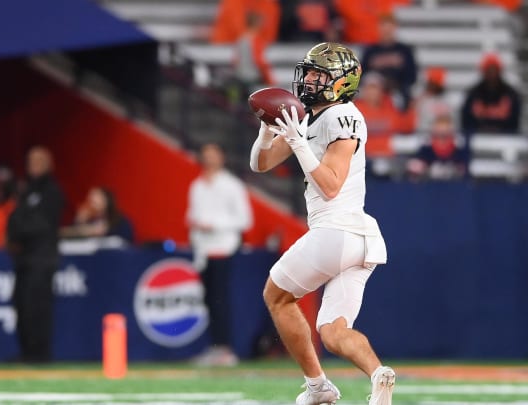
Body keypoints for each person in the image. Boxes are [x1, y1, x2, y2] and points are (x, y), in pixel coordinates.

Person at [249, 42, 394, 405]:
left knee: (276, 296)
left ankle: (318, 387)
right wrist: (267, 133)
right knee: (332, 331)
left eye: (319, 74)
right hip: (359, 239)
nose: (310, 80)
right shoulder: (311, 117)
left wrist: (299, 145)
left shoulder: (343, 115)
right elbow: (261, 164)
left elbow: (331, 186)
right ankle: (379, 376)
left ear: (342, 82)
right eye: (309, 72)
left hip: (337, 229)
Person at [187, 143, 253, 366]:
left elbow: (245, 220)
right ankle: (215, 347)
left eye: (213, 155)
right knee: (209, 301)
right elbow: (193, 216)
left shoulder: (232, 186)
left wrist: (213, 225)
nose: (209, 160)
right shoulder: (197, 186)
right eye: (206, 156)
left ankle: (226, 349)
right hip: (204, 252)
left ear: (222, 158)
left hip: (223, 249)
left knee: (221, 300)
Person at [6, 146, 65, 363]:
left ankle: (39, 354)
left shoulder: (52, 191)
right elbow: (14, 219)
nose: (33, 165)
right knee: (21, 304)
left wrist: (19, 231)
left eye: (38, 161)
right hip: (23, 258)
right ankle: (26, 351)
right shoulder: (26, 190)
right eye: (30, 160)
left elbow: (41, 225)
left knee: (37, 306)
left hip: (42, 259)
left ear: (48, 164)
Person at [361, 12, 418, 111]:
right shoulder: (370, 50)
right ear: (379, 28)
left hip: (397, 89)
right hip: (374, 90)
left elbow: (412, 76)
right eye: (383, 26)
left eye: (389, 26)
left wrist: (397, 85)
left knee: (401, 100)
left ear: (395, 28)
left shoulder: (404, 50)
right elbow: (362, 74)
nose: (386, 30)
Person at [460, 53, 522, 135]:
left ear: (499, 70)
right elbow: (466, 119)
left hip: (505, 138)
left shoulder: (511, 94)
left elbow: (514, 121)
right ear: (483, 71)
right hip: (478, 138)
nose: (491, 73)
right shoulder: (473, 94)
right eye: (488, 70)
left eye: (494, 69)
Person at [405, 114, 467, 181]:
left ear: (450, 129)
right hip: (430, 185)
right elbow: (418, 167)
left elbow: (463, 168)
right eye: (439, 126)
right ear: (434, 128)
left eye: (445, 127)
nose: (442, 130)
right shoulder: (426, 148)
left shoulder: (458, 148)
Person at [60, 187, 134, 243]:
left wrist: (106, 232)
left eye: (97, 197)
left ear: (107, 200)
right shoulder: (87, 219)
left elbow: (126, 239)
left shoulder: (119, 220)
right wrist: (79, 221)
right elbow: (70, 236)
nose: (92, 201)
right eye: (90, 199)